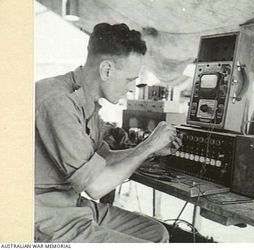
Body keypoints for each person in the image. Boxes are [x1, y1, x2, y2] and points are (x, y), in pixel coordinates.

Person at [34, 22, 182, 243]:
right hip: (43, 215)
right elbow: (96, 187)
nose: (132, 87)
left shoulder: (86, 100)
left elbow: (105, 158)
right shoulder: (57, 100)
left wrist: (153, 151)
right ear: (106, 70)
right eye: (130, 79)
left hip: (72, 206)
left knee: (157, 232)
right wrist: (148, 145)